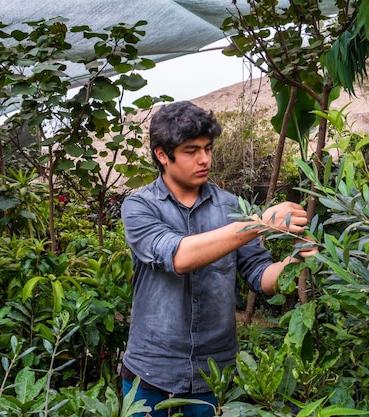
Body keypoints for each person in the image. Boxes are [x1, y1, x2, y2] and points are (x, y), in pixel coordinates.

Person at [120, 101, 317, 417]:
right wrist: (260, 223)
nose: (204, 159)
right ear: (161, 155)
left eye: (208, 148)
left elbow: (260, 276)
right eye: (191, 150)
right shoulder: (139, 206)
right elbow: (179, 256)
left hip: (214, 376)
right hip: (151, 375)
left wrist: (298, 261)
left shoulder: (231, 206)